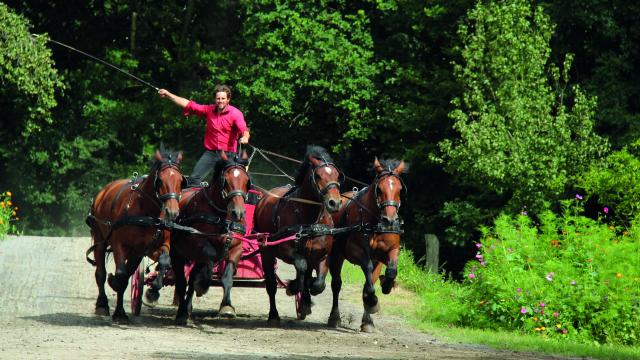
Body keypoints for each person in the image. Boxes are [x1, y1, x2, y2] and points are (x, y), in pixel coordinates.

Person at [158, 84, 250, 186]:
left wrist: (245, 137)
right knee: (193, 179)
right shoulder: (209, 110)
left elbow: (244, 129)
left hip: (228, 155)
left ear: (228, 99)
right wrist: (168, 95)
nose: (220, 101)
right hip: (211, 153)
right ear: (215, 99)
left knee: (236, 183)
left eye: (223, 98)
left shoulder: (235, 113)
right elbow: (188, 104)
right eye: (218, 98)